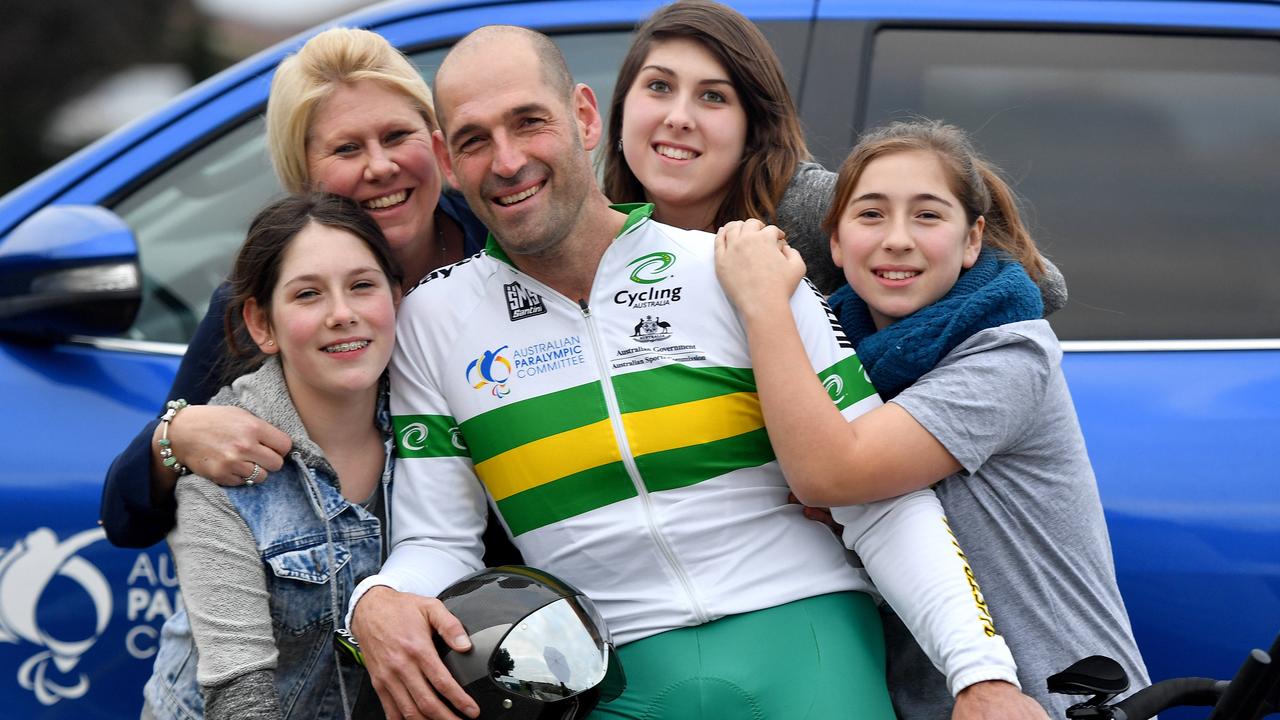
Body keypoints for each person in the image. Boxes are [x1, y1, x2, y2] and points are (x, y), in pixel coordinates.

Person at [346, 25, 1045, 720]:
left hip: (807, 635)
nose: (506, 161)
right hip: (613, 675)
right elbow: (437, 540)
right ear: (445, 158)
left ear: (585, 117)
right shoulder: (433, 321)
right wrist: (374, 599)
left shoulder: (737, 270)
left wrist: (981, 675)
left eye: (530, 123)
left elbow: (880, 502)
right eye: (473, 139)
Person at [713, 119, 1150, 717]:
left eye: (927, 215)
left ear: (972, 240)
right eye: (870, 215)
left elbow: (833, 471)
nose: (897, 239)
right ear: (835, 244)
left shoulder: (1009, 355)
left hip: (1058, 697)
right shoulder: (838, 365)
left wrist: (762, 301)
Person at [99, 27, 491, 550]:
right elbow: (127, 522)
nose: (381, 166)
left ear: (437, 144)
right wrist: (174, 440)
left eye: (397, 136)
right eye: (347, 148)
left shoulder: (505, 247)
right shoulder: (257, 303)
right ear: (303, 176)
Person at [601, 0, 1069, 308]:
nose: (680, 117)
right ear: (621, 109)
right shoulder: (596, 230)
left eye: (713, 97)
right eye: (659, 86)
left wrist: (895, 372)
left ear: (753, 128)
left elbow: (1043, 287)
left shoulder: (806, 208)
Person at [141, 192, 402, 719]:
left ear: (397, 296)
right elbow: (238, 695)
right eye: (308, 295)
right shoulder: (222, 462)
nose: (342, 314)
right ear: (262, 325)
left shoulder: (433, 425)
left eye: (362, 286)